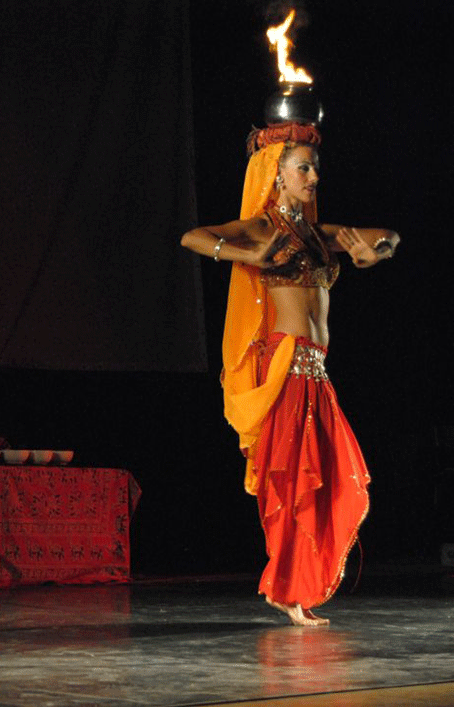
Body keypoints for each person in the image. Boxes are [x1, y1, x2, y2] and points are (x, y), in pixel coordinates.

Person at [180, 122, 399, 626]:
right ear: (277, 174)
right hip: (286, 366)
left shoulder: (319, 236)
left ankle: (294, 586)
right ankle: (284, 587)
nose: (313, 178)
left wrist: (375, 254)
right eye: (304, 168)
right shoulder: (264, 228)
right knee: (293, 480)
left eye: (315, 169)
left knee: (328, 478)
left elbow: (389, 235)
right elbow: (193, 237)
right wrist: (247, 254)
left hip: (315, 371)